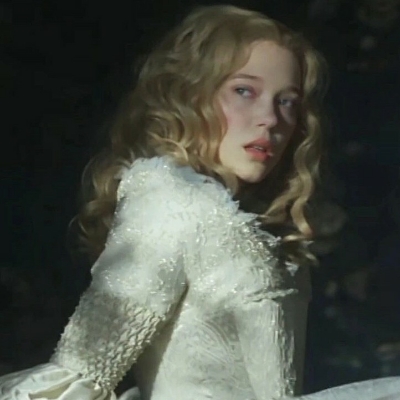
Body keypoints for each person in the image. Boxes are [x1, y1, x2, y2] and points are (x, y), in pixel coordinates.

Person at [1, 4, 400, 400]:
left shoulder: (244, 220)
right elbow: (85, 365)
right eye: (244, 91)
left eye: (287, 101)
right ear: (192, 95)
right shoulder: (172, 202)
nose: (270, 118)